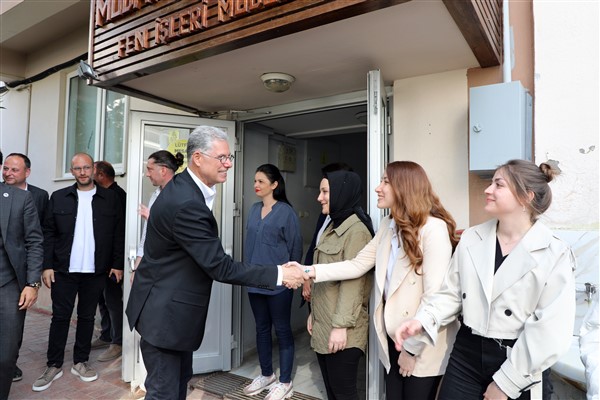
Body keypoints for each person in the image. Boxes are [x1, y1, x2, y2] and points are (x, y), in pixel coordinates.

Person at [125, 126, 305, 400]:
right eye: (222, 158)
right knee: (164, 393)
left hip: (168, 315)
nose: (229, 164)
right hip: (165, 318)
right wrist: (280, 273)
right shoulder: (187, 202)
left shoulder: (185, 189)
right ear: (198, 158)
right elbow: (219, 265)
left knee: (177, 385)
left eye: (229, 157)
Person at [395, 159, 576, 400]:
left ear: (526, 197)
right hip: (466, 355)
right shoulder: (471, 238)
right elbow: (450, 294)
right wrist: (423, 320)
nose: (487, 190)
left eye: (498, 185)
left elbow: (549, 331)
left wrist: (505, 384)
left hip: (518, 360)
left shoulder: (554, 252)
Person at [290, 161, 459, 399]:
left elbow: (435, 298)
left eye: (385, 182)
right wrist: (307, 271)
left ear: (405, 187)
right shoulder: (388, 225)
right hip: (393, 339)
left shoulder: (434, 229)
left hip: (421, 342)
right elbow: (356, 265)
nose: (377, 188)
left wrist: (411, 352)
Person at [32, 153, 125, 392]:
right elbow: (49, 232)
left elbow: (117, 233)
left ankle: (80, 362)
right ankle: (53, 364)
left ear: (93, 169)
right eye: (77, 169)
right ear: (71, 171)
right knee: (60, 318)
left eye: (86, 168)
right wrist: (47, 265)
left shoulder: (109, 198)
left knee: (86, 318)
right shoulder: (59, 197)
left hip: (96, 270)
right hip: (64, 270)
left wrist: (117, 264)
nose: (82, 172)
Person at [308, 170, 374, 400]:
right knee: (332, 394)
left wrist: (340, 327)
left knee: (344, 394)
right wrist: (312, 315)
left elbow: (353, 285)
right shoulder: (331, 225)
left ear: (341, 193)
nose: (319, 197)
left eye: (325, 191)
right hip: (323, 324)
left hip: (342, 331)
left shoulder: (357, 232)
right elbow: (326, 279)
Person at [242, 164, 303, 400]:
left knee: (283, 330)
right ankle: (267, 374)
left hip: (279, 284)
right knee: (261, 329)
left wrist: (293, 278)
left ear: (274, 185)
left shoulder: (286, 212)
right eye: (255, 181)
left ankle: (285, 381)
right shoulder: (253, 209)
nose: (256, 185)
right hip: (255, 280)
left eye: (261, 181)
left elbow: (295, 247)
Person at [0, 150, 44, 400]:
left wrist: (32, 283)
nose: (7, 173)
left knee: (5, 354)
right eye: (6, 168)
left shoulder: (20, 198)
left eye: (12, 169)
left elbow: (35, 242)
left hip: (8, 284)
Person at [89, 161, 127, 362]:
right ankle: (106, 335)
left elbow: (120, 232)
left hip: (113, 262)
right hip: (99, 259)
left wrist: (117, 263)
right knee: (102, 299)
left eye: (91, 170)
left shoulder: (117, 196)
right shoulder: (100, 194)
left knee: (113, 301)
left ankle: (118, 342)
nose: (86, 174)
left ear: (102, 175)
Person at [301, 162, 353, 306]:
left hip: (333, 300)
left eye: (325, 191)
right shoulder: (325, 216)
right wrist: (307, 277)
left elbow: (353, 272)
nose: (319, 198)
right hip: (317, 292)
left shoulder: (355, 227)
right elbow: (314, 247)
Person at [132, 150, 184, 275]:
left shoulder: (182, 194)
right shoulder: (156, 195)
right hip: (154, 266)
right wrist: (136, 268)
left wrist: (153, 218)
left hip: (174, 269)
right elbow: (146, 235)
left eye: (150, 169)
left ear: (163, 170)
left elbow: (183, 234)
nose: (147, 174)